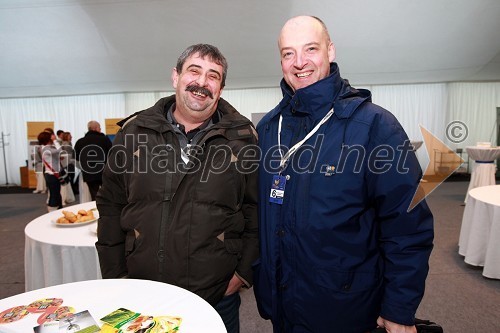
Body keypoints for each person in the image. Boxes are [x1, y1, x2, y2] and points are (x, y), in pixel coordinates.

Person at [253, 16, 434, 333]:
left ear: (330, 50)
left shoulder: (374, 126)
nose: (299, 62)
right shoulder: (269, 127)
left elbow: (408, 228)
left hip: (344, 310)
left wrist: (399, 309)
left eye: (310, 48)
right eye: (288, 53)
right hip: (282, 305)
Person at [95, 44, 259, 333]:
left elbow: (255, 211)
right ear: (176, 76)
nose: (202, 83)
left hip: (216, 295)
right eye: (194, 71)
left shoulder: (243, 139)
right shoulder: (133, 133)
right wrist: (115, 275)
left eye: (213, 76)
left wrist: (242, 273)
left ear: (221, 87)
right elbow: (110, 206)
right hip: (142, 292)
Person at [74, 121, 112, 201]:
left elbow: (76, 158)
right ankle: (108, 210)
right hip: (104, 171)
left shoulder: (80, 142)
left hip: (88, 172)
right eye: (100, 128)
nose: (100, 129)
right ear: (95, 129)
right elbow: (112, 154)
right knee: (108, 193)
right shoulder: (104, 139)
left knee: (94, 194)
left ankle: (96, 210)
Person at [37, 131, 63, 211]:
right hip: (52, 175)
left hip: (51, 174)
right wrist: (55, 140)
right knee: (54, 195)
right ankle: (52, 211)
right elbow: (60, 150)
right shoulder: (46, 148)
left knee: (56, 194)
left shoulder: (44, 148)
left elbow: (54, 156)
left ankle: (57, 209)